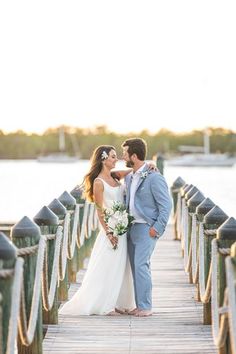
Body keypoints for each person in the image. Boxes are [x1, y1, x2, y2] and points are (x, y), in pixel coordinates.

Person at [60, 145, 136, 316]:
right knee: (108, 266)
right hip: (110, 231)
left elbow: (134, 170)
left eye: (116, 156)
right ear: (103, 159)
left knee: (122, 267)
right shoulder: (98, 182)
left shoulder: (116, 176)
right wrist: (109, 232)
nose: (116, 159)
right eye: (113, 156)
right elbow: (99, 211)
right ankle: (104, 304)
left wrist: (149, 166)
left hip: (122, 229)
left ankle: (120, 303)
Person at [122, 138, 172, 317]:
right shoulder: (129, 176)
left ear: (134, 156)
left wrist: (157, 228)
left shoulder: (154, 177)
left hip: (146, 228)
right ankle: (139, 305)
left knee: (141, 265)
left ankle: (146, 307)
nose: (123, 156)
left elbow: (166, 206)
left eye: (125, 153)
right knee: (136, 268)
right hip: (131, 228)